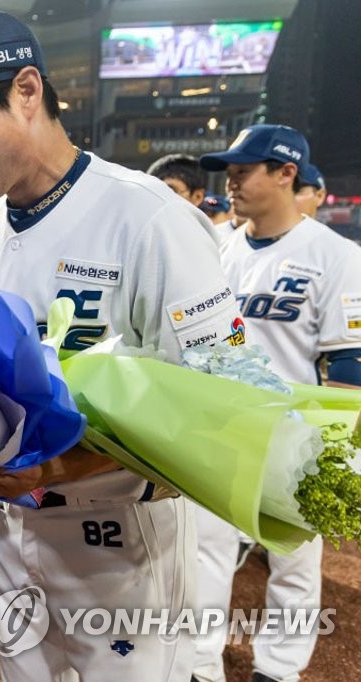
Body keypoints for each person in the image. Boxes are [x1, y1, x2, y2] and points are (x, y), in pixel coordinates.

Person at [0, 10, 242, 680]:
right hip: (14, 534)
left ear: (26, 91)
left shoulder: (152, 219)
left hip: (122, 547)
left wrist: (57, 467)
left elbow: (219, 415)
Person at [193, 125, 361, 682]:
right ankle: (200, 665)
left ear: (286, 173)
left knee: (293, 563)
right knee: (205, 556)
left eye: (245, 170)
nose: (231, 181)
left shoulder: (335, 255)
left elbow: (348, 365)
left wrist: (332, 452)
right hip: (218, 429)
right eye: (230, 172)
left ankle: (279, 669)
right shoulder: (215, 246)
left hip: (295, 440)